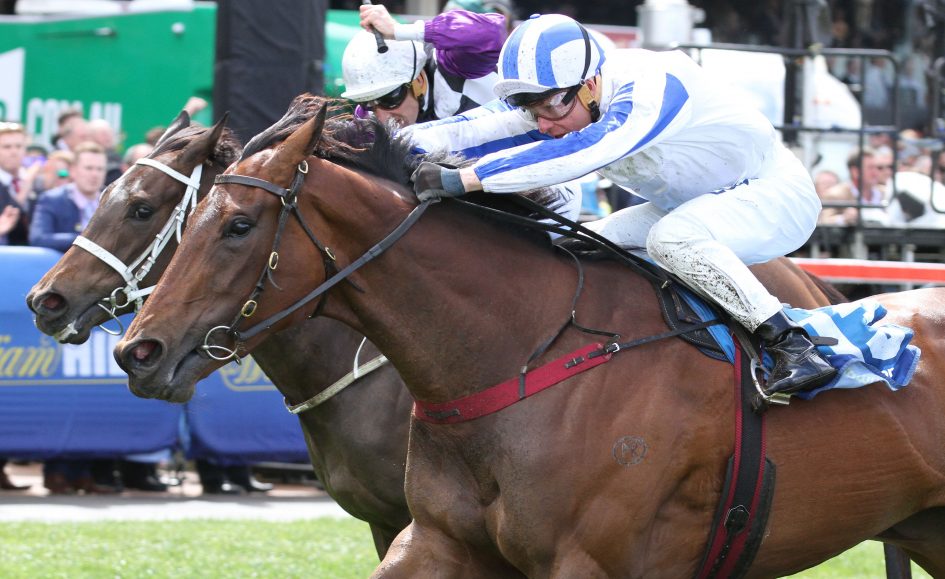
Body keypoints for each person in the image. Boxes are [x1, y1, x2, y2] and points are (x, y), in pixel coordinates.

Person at [407, 14, 837, 398]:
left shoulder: (651, 84)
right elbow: (475, 127)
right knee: (576, 244)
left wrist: (466, 179)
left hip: (774, 195)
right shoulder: (565, 97)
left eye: (552, 107)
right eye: (532, 111)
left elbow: (586, 150)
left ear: (591, 84)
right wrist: (380, 139)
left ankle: (793, 346)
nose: (544, 124)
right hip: (697, 203)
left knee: (671, 239)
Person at [342, 3, 507, 127]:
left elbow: (492, 32)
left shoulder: (455, 64)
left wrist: (398, 30)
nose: (383, 118)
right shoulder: (367, 118)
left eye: (388, 99)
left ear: (419, 81)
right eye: (367, 104)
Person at [29, 141, 107, 251]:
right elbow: (39, 239)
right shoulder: (52, 200)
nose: (95, 174)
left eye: (100, 169)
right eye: (89, 168)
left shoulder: (113, 201)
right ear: (73, 170)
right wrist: (84, 239)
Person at [820, 147, 889, 226]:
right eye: (870, 168)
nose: (876, 172)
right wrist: (844, 218)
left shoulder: (886, 192)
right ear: (855, 171)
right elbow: (824, 221)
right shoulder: (836, 195)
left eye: (878, 168)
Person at [0, 121, 31, 245]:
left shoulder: (38, 182)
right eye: (7, 147)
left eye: (18, 146)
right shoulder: (30, 180)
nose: (14, 152)